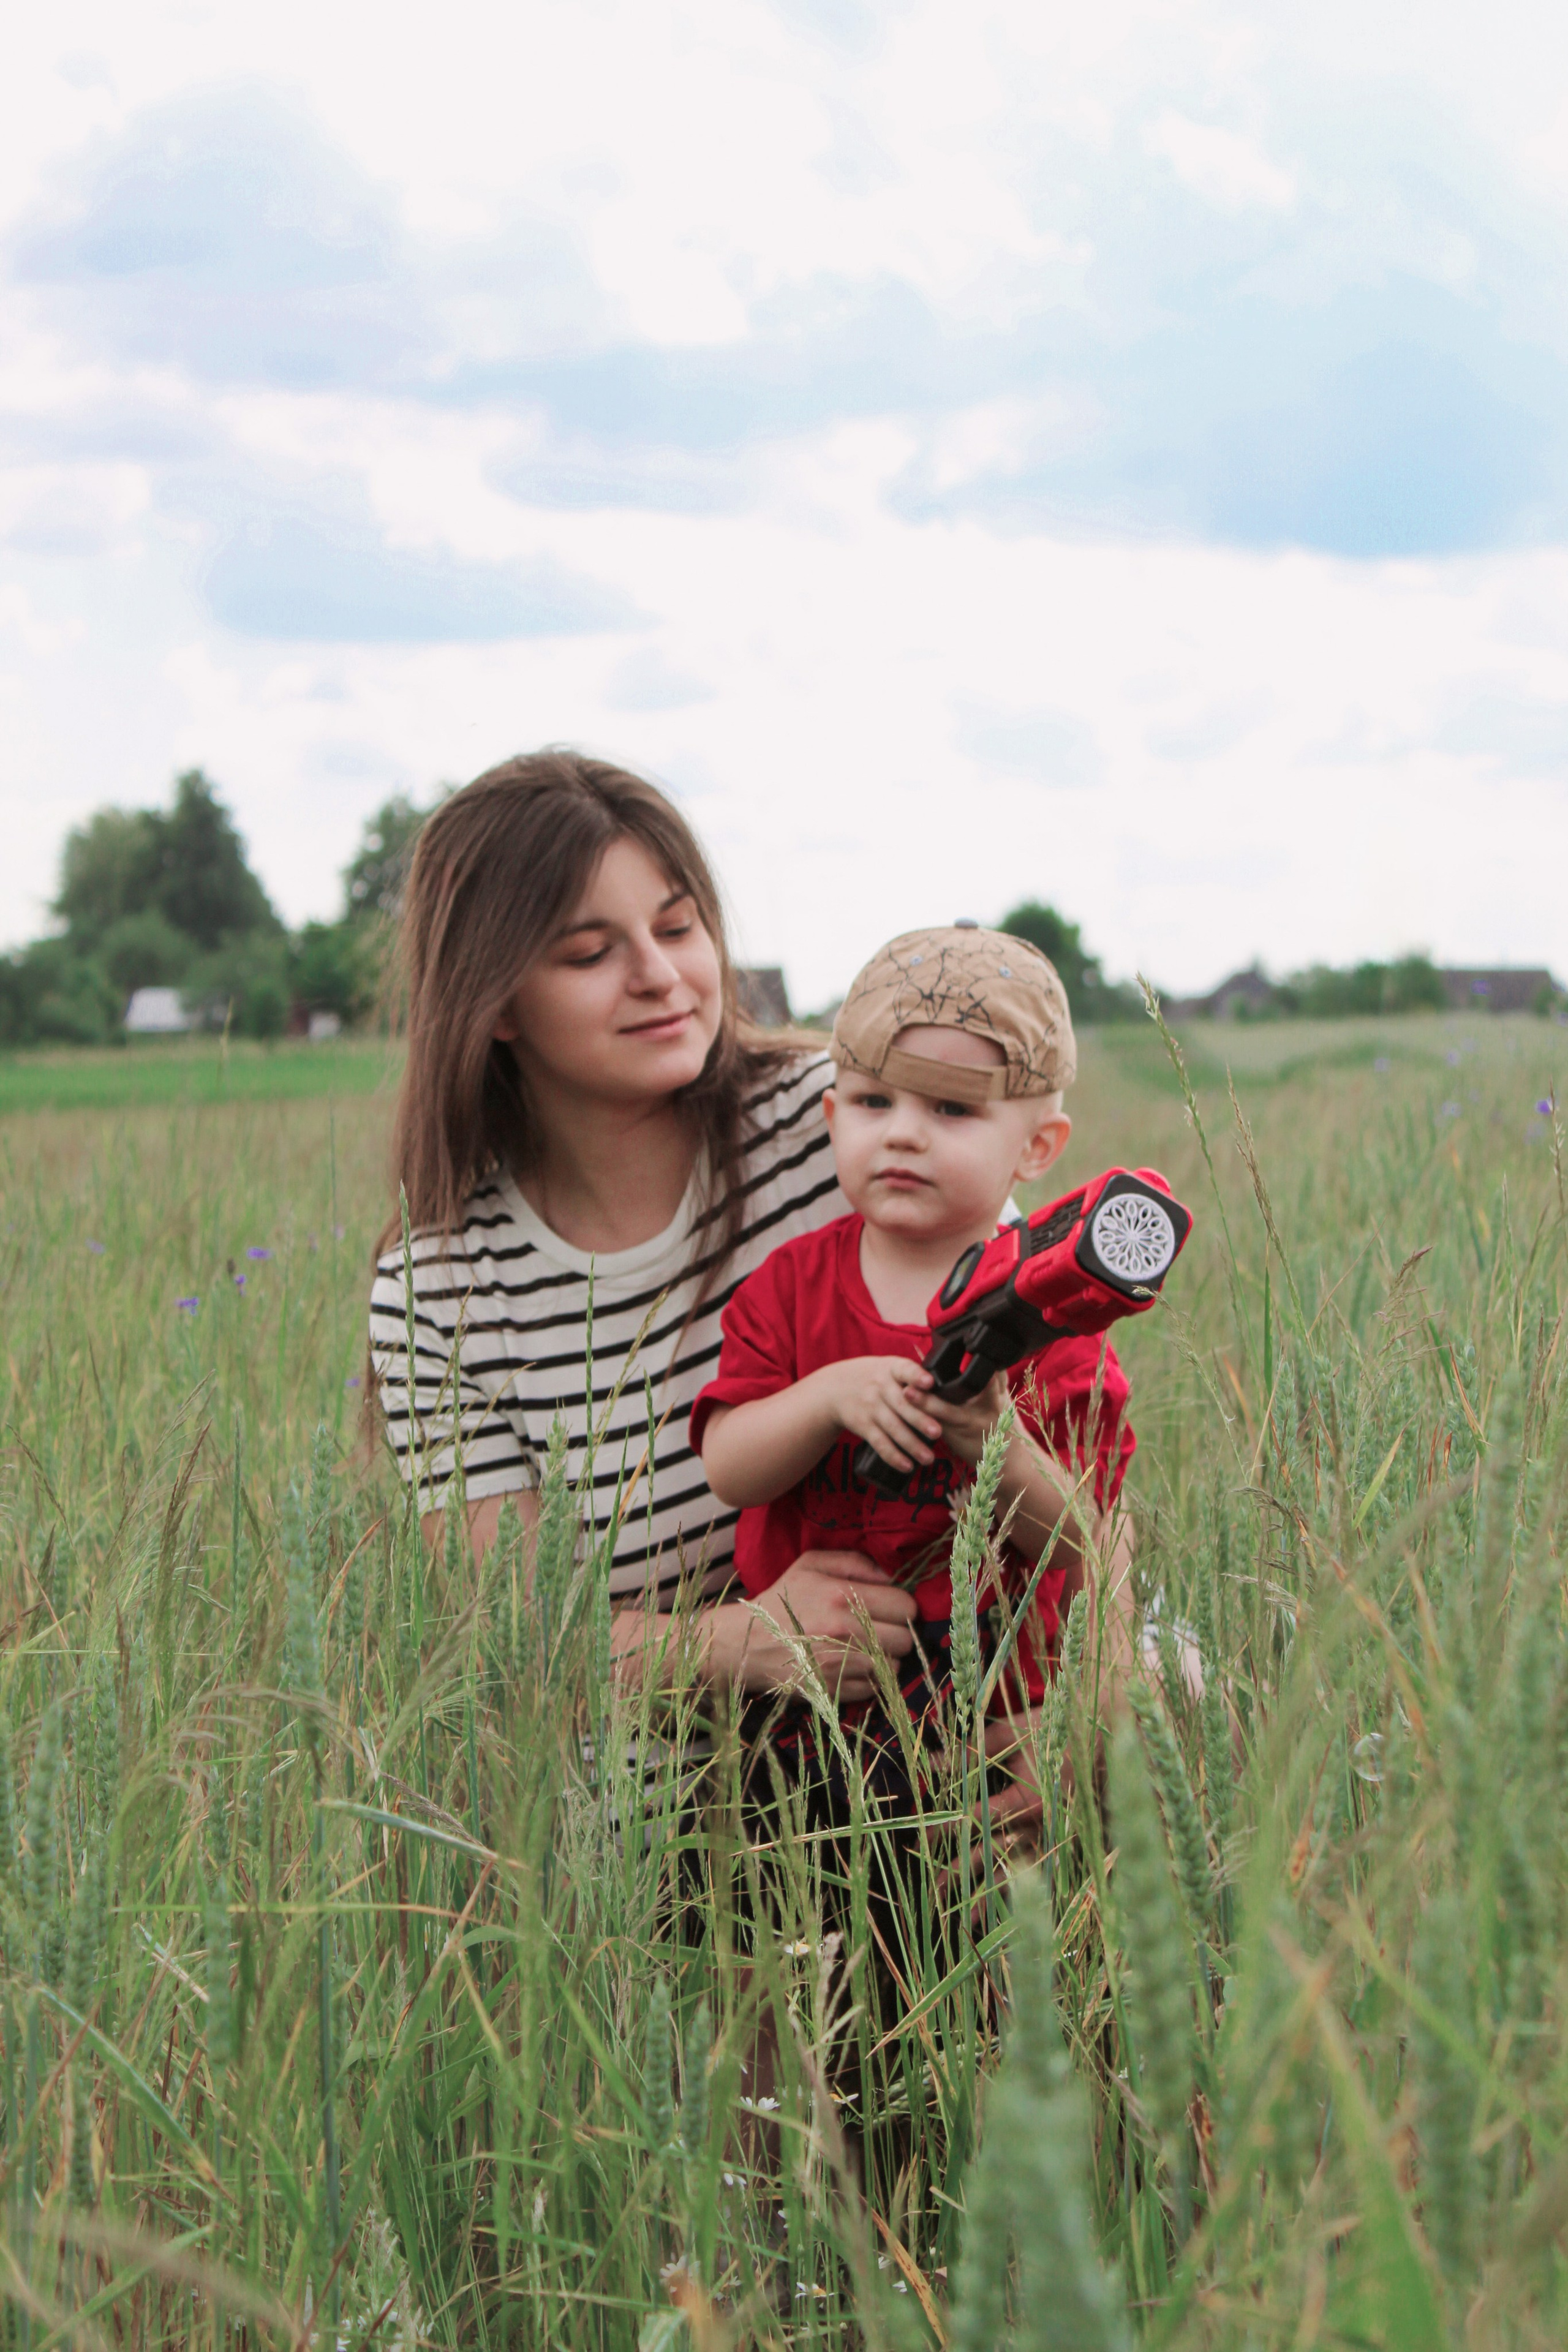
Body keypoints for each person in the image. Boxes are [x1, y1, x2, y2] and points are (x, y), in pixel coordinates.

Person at [368, 746, 926, 1713]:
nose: (662, 976)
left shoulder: (845, 1122)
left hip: (959, 1735)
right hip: (661, 1825)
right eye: (591, 954)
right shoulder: (440, 1291)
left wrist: (1095, 1683)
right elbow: (521, 1640)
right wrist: (738, 1643)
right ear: (493, 1002)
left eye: (679, 927)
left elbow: (1067, 1411)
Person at [690, 926, 1137, 1786]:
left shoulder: (1055, 1323)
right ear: (831, 1117)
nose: (903, 1135)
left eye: (952, 1110)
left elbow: (1084, 1536)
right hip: (804, 1731)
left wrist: (993, 1444)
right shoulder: (789, 1289)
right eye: (873, 1103)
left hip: (993, 1737)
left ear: (1038, 1147)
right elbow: (730, 1467)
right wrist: (826, 1397)